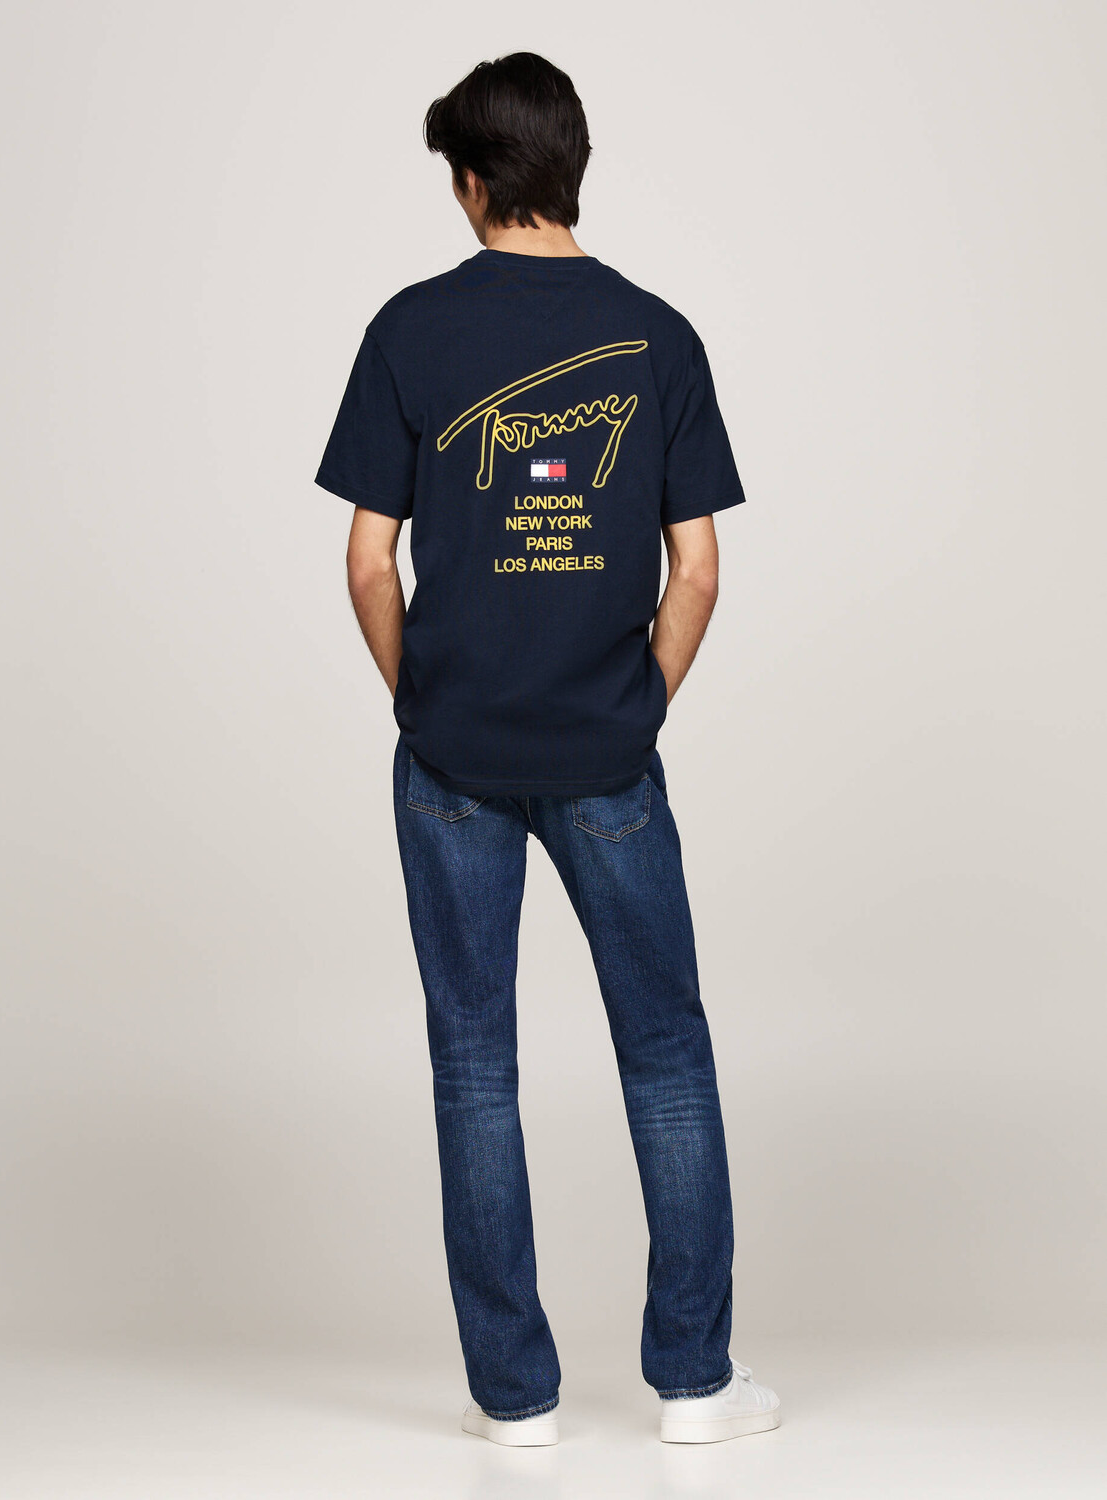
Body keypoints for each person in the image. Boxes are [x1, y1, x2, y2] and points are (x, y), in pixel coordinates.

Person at [314, 51, 780, 1447]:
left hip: (450, 763)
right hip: (606, 758)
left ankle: (515, 1403)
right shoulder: (658, 336)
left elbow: (366, 564)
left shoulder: (409, 330)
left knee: (474, 1065)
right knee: (665, 1053)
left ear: (473, 183)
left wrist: (423, 702)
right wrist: (636, 701)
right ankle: (694, 1385)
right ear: (571, 170)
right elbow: (698, 569)